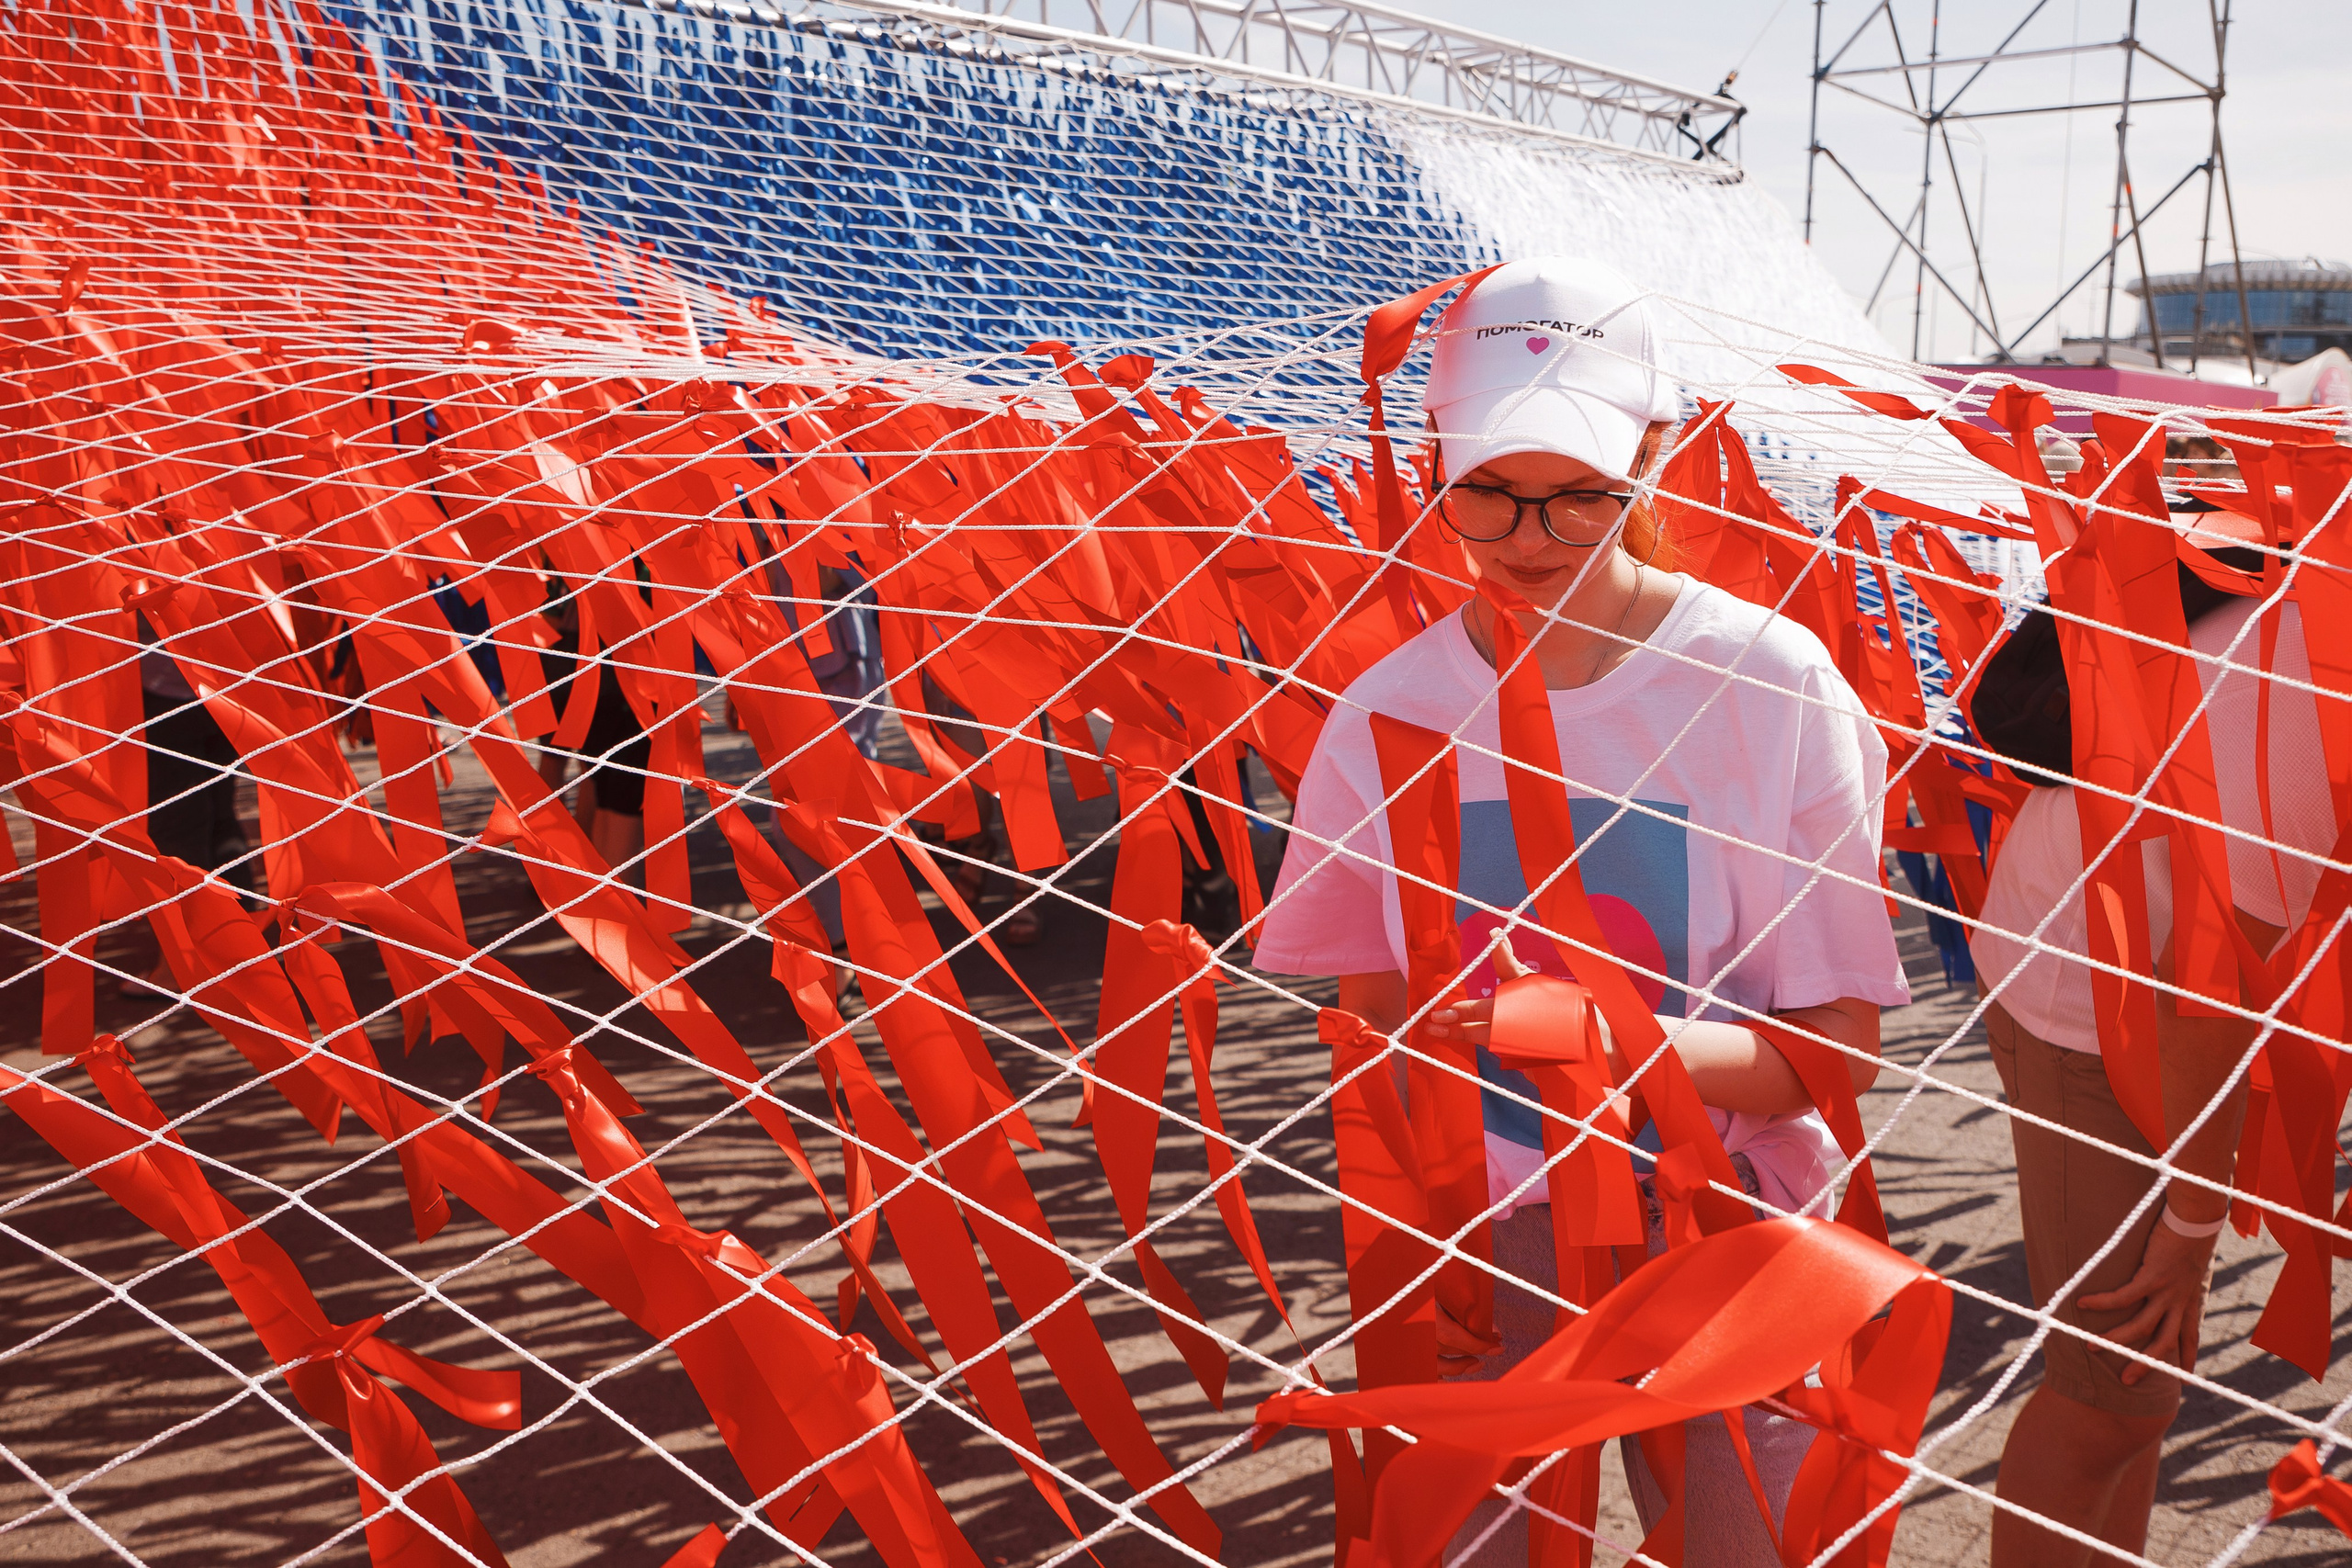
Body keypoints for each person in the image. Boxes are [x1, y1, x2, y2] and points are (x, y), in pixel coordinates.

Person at [1251, 256, 1910, 1565]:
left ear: (1659, 451)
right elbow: (1373, 1022)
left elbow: (1832, 1049)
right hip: (1486, 1232)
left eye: (1579, 496)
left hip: (1733, 1216)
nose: (1528, 537)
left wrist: (1604, 1044)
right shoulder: (1387, 707)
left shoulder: (1768, 680)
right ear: (1433, 455)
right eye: (1484, 491)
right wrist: (1419, 1232)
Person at [1970, 509, 2331, 1568]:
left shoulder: (2298, 610)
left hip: (2070, 954)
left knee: (2135, 1395)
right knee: (2108, 1396)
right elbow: (2203, 990)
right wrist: (2188, 1223)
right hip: (2096, 1009)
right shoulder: (2302, 681)